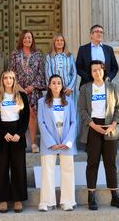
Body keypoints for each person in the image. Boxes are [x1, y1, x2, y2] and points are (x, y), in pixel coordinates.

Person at [78, 60, 119, 210]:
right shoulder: (85, 88)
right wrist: (93, 125)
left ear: (103, 71)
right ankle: (91, 196)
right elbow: (82, 109)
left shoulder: (112, 87)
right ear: (90, 73)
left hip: (109, 128)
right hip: (93, 128)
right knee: (92, 162)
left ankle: (114, 196)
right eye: (94, 70)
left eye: (99, 70)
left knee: (110, 163)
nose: (97, 72)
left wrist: (114, 124)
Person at [0, 71, 30, 213]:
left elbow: (26, 119)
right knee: (1, 168)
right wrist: (3, 133)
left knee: (18, 168)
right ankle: (3, 199)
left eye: (11, 78)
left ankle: (18, 199)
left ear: (14, 80)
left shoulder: (22, 96)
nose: (8, 80)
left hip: (17, 135)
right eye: (5, 78)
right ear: (2, 80)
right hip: (2, 136)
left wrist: (19, 134)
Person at [37, 74, 77, 212]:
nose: (56, 85)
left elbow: (73, 122)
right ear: (49, 85)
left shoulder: (69, 101)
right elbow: (41, 123)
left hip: (66, 142)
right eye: (53, 83)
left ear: (62, 85)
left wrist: (68, 141)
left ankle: (67, 201)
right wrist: (50, 142)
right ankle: (47, 201)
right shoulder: (42, 102)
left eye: (59, 83)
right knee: (47, 171)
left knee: (67, 171)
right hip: (49, 142)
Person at [10, 30, 46, 153]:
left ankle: (34, 143)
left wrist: (33, 86)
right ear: (21, 39)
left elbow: (41, 72)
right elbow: (12, 71)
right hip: (18, 89)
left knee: (32, 114)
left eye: (29, 38)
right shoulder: (15, 54)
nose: (27, 40)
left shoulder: (38, 54)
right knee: (18, 116)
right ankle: (19, 143)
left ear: (32, 39)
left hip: (33, 90)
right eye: (25, 38)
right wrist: (19, 87)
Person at [44, 34, 77, 102]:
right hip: (55, 90)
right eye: (57, 40)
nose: (59, 42)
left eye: (61, 40)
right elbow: (48, 74)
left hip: (68, 90)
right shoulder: (49, 57)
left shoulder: (70, 56)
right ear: (54, 43)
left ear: (64, 42)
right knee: (57, 110)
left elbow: (74, 73)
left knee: (69, 109)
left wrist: (70, 87)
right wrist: (55, 88)